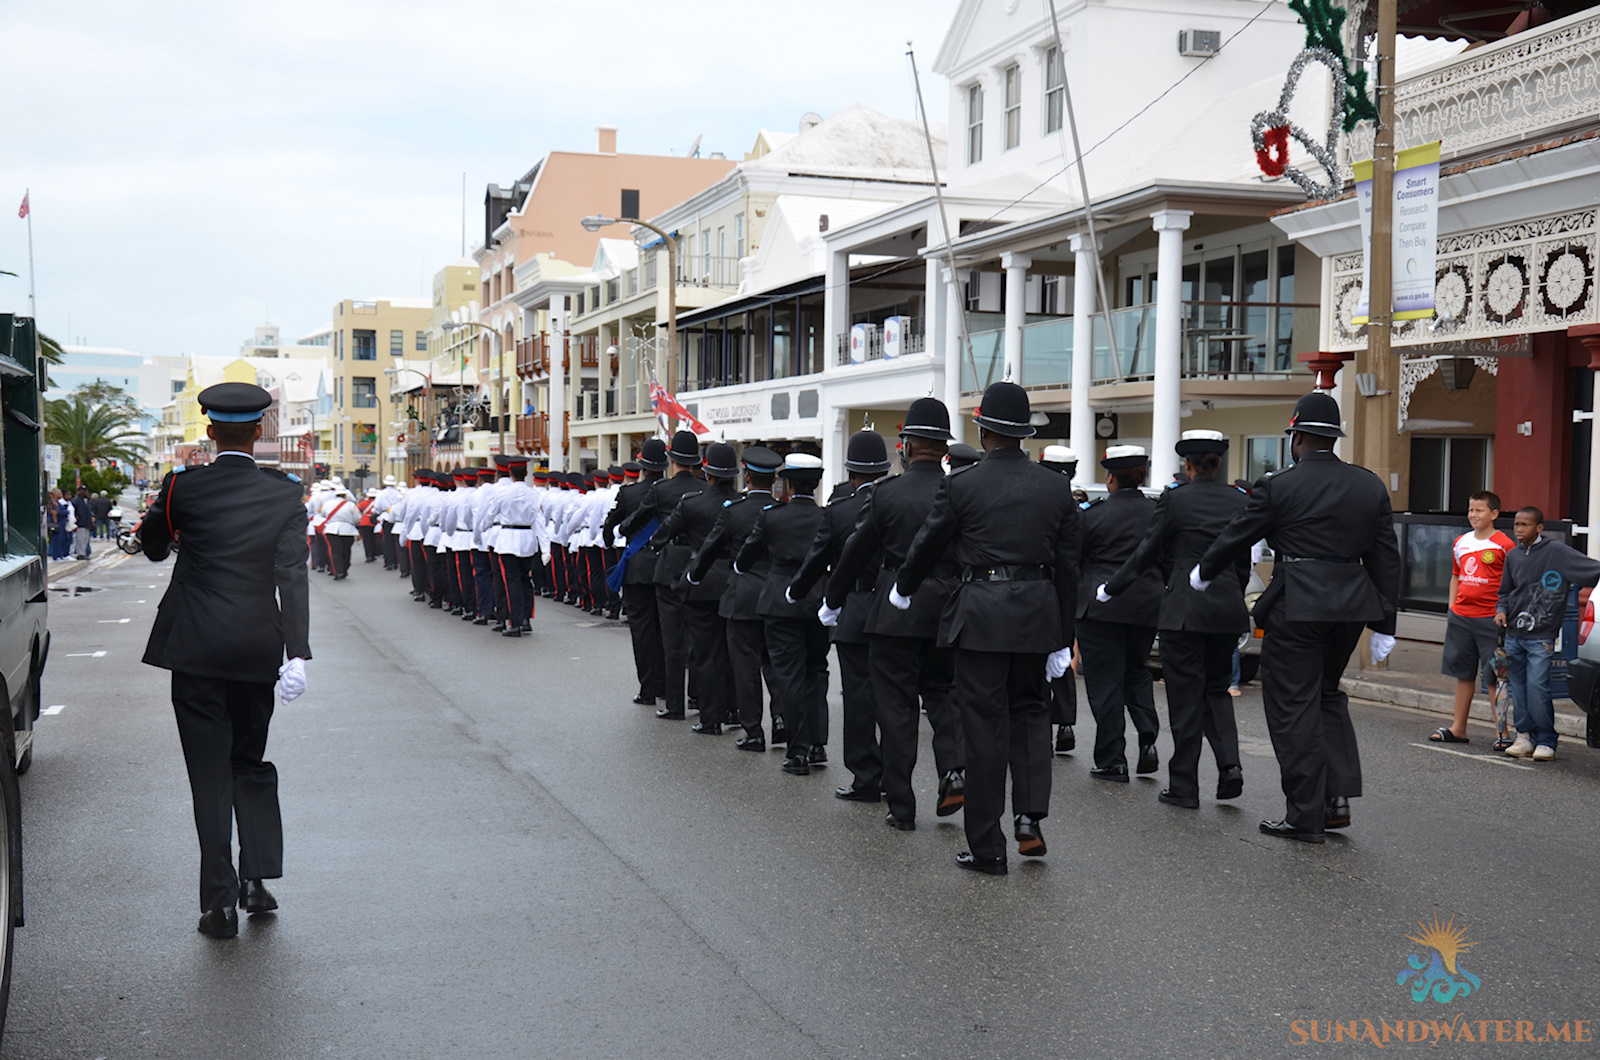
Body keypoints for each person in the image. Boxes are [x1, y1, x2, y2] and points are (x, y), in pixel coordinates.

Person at [138, 381, 310, 940]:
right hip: (258, 646)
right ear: (259, 431)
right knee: (249, 763)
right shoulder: (286, 493)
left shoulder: (182, 487)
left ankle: (219, 906)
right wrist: (298, 653)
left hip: (196, 647)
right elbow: (292, 574)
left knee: (208, 773)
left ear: (210, 431)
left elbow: (155, 546)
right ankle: (257, 881)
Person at [892, 381, 1080, 875]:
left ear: (982, 428)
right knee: (1031, 715)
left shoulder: (961, 484)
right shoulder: (1055, 487)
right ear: (1023, 432)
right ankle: (1029, 820)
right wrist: (1064, 636)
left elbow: (928, 545)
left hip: (980, 616)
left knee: (984, 727)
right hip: (1037, 614)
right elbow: (1069, 566)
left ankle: (987, 847)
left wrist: (904, 587)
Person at [1197, 391, 1401, 843]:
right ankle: (1336, 799)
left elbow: (1238, 534)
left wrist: (1204, 570)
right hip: (1351, 605)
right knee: (1328, 696)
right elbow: (1387, 557)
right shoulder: (1369, 484)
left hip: (1299, 604)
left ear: (1297, 436)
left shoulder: (1279, 485)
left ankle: (1305, 814)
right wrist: (1386, 624)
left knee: (1294, 707)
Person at [824, 399, 968, 829]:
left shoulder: (885, 494)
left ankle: (902, 807)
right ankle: (953, 770)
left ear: (905, 445)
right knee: (944, 695)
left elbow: (855, 553)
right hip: (947, 606)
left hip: (894, 611)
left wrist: (833, 599)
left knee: (896, 708)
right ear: (944, 448)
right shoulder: (960, 491)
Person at [1103, 430, 1247, 809]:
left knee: (1185, 696)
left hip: (1184, 609)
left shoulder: (1175, 500)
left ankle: (1184, 785)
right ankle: (1230, 765)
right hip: (1226, 608)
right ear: (1217, 463)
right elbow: (1243, 563)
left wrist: (1112, 588)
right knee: (1216, 689)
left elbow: (1147, 553)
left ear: (1187, 464)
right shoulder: (1238, 500)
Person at [790, 430, 891, 804]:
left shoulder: (839, 510)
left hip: (856, 609)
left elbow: (818, 559)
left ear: (851, 473)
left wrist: (797, 591)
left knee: (860, 697)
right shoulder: (900, 501)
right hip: (897, 613)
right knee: (894, 699)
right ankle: (897, 780)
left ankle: (866, 776)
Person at [736, 453, 830, 775]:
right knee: (816, 670)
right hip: (818, 600)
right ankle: (818, 744)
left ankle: (798, 751)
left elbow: (749, 553)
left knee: (788, 674)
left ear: (787, 483)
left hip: (780, 602)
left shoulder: (771, 517)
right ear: (816, 484)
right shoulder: (826, 516)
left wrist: (740, 565)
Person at [687, 446, 785, 751]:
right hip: (777, 596)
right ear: (774, 480)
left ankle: (754, 731)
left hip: (742, 596)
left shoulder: (734, 510)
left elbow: (710, 550)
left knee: (745, 665)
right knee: (776, 663)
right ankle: (781, 719)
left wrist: (694, 576)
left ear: (747, 474)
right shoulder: (783, 511)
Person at [1076, 445, 1162, 783]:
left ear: (1110, 478)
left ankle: (1112, 759)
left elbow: (1076, 559)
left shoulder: (1092, 515)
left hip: (1101, 608)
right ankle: (1148, 741)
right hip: (1145, 605)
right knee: (1137, 672)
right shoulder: (1156, 513)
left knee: (1105, 683)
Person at [1496, 506, 1600, 760]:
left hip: (1541, 637)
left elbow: (1593, 569)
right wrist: (1501, 610)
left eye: (1525, 525)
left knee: (1538, 687)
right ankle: (1524, 736)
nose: (1519, 530)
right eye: (1517, 525)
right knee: (1517, 688)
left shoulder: (1557, 553)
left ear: (1539, 528)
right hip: (1513, 634)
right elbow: (1505, 592)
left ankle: (1546, 739)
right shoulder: (1513, 556)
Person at [618, 431, 708, 720]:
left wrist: (625, 529)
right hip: (701, 564)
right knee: (699, 634)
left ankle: (668, 698)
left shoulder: (662, 491)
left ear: (672, 460)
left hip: (669, 563)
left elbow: (636, 521)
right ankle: (698, 694)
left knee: (669, 637)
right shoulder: (706, 488)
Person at [668, 442, 742, 734]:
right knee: (734, 652)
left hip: (702, 582)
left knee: (706, 653)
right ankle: (734, 710)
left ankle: (711, 717)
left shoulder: (692, 502)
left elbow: (669, 534)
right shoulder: (742, 503)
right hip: (734, 583)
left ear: (706, 472)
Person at [1431, 491, 1514, 744]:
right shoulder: (1461, 542)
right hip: (1461, 617)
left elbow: (1513, 583)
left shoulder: (1505, 545)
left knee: (1494, 677)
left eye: (1479, 510)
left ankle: (1503, 733)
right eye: (1470, 510)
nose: (1473, 515)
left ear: (1494, 514)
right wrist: (1452, 608)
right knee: (1463, 674)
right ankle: (1458, 729)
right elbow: (1456, 575)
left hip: (1491, 619)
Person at [607, 445, 668, 702]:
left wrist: (609, 539)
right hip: (667, 566)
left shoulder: (628, 493)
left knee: (642, 631)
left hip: (638, 568)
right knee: (667, 630)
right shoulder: (675, 492)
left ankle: (648, 689)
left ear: (642, 465)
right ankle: (667, 686)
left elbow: (612, 524)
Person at [1038, 445, 1080, 754]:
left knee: (1038, 660)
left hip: (1037, 590)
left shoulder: (1037, 504)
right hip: (1066, 591)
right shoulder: (1077, 510)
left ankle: (1038, 724)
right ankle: (1064, 722)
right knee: (1062, 655)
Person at [46, 488, 71, 560]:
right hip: (57, 524)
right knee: (57, 540)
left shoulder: (58, 502)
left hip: (62, 524)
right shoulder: (54, 503)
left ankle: (60, 555)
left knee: (61, 540)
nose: (61, 495)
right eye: (59, 493)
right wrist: (66, 512)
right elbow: (57, 512)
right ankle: (56, 555)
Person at [71, 485, 94, 559]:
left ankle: (83, 552)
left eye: (86, 491)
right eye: (83, 491)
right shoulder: (76, 500)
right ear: (79, 491)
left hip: (86, 523)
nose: (85, 492)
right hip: (80, 523)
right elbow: (73, 511)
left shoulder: (86, 500)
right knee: (80, 539)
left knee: (85, 539)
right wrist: (77, 517)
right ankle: (80, 554)